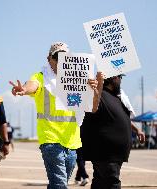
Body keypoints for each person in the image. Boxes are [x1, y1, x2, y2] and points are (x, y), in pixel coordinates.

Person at [9, 42, 104, 189]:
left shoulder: (80, 79)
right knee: (60, 185)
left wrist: (97, 88)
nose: (61, 60)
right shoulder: (41, 77)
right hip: (51, 139)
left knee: (58, 184)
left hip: (72, 142)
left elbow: (93, 108)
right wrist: (24, 89)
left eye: (65, 56)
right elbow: (32, 85)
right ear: (49, 59)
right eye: (57, 57)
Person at [81, 75, 144, 189]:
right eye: (119, 77)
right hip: (106, 153)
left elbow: (122, 117)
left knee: (100, 182)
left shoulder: (116, 96)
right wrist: (97, 85)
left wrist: (137, 130)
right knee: (111, 182)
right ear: (113, 78)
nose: (120, 80)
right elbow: (93, 107)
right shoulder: (98, 95)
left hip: (113, 154)